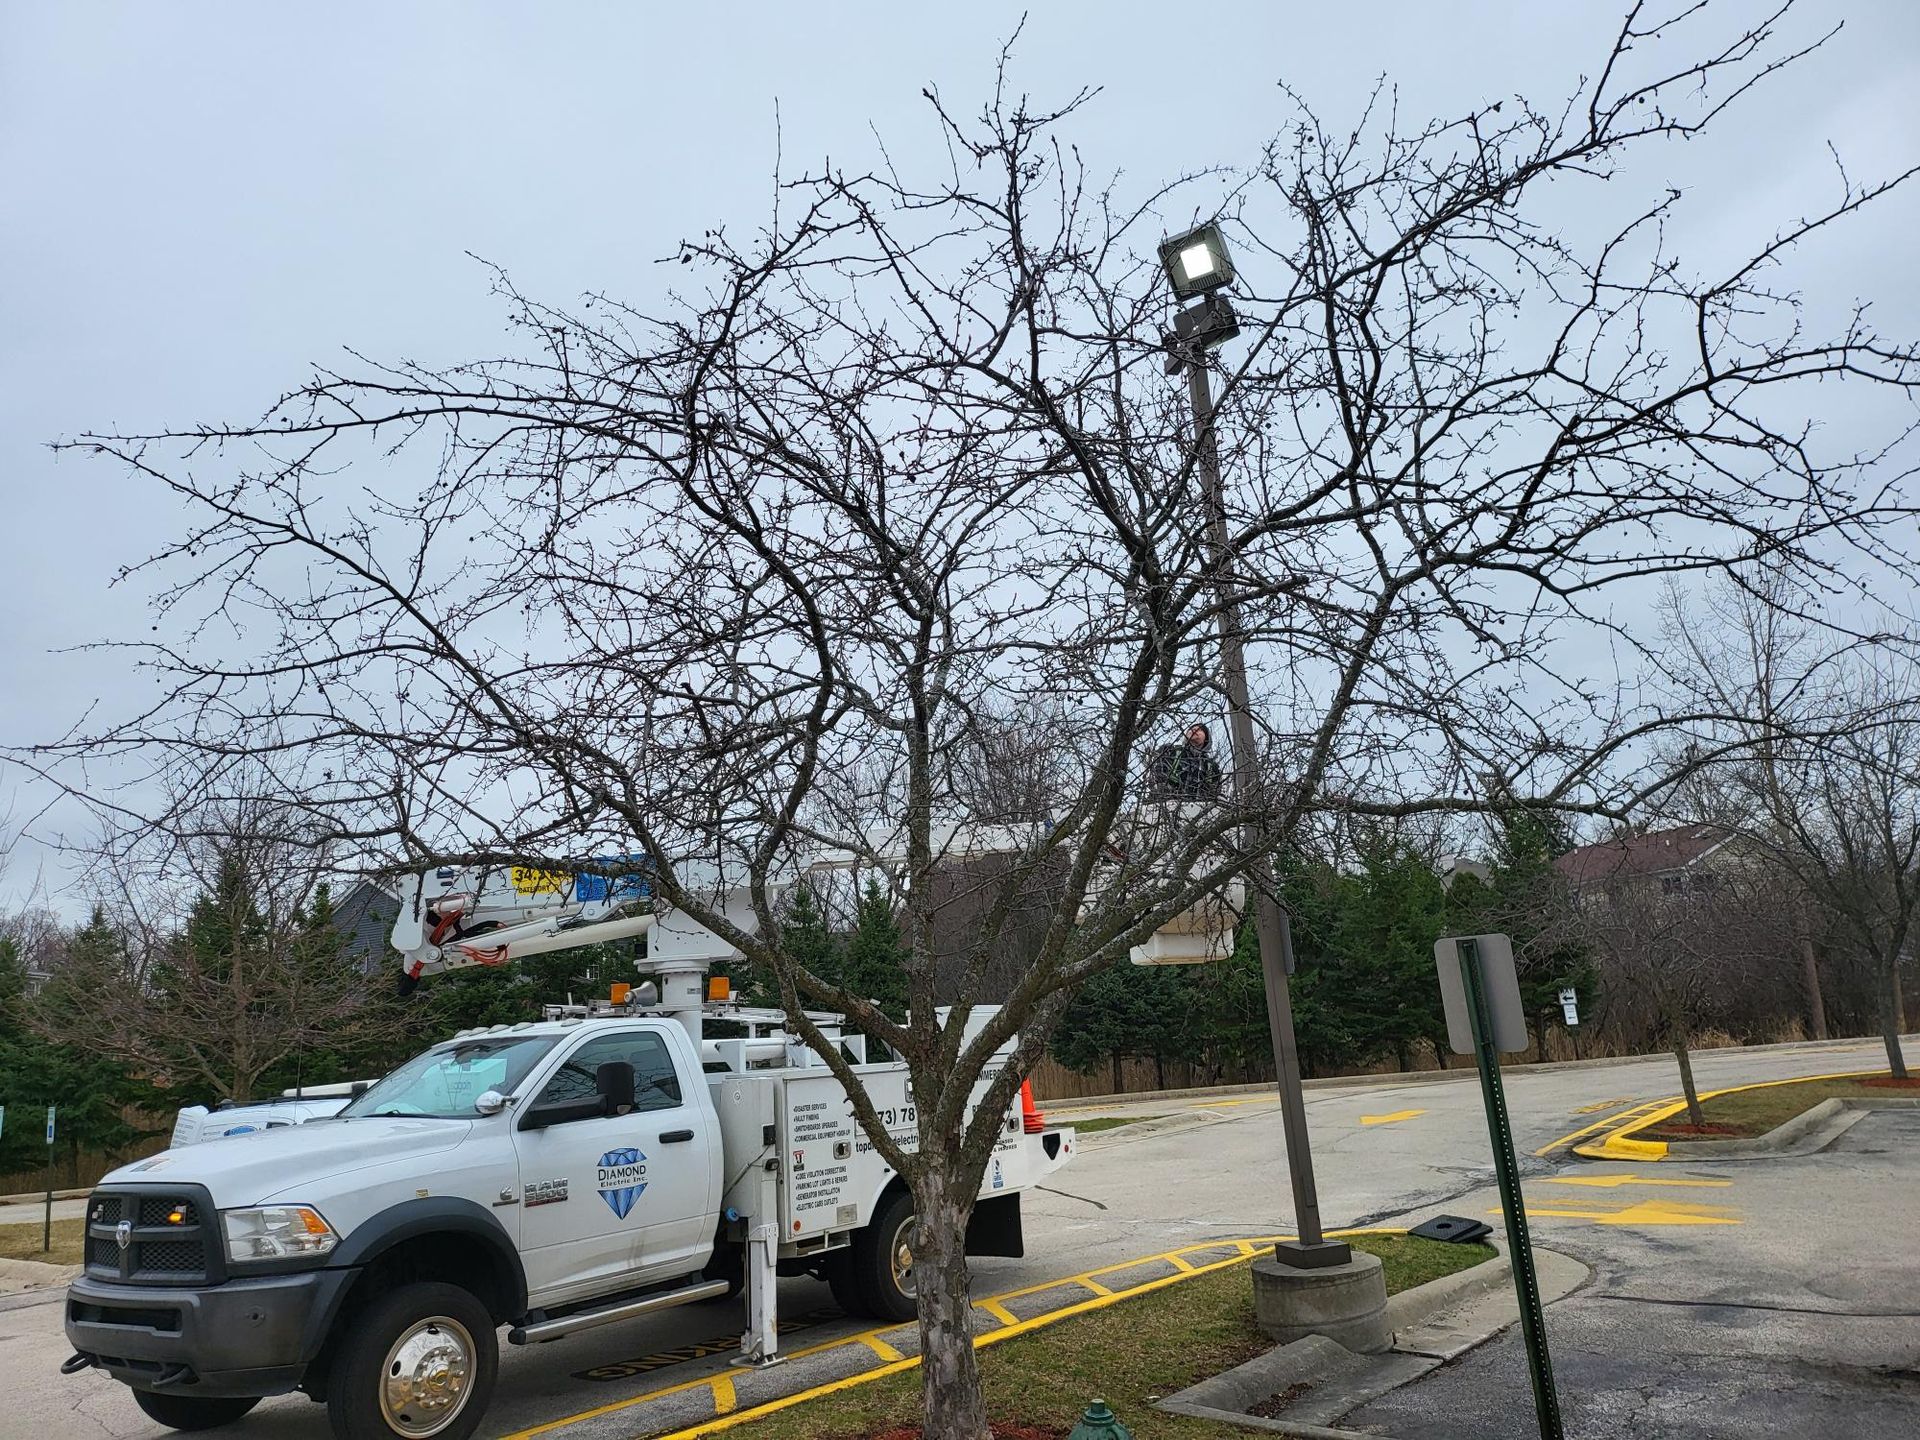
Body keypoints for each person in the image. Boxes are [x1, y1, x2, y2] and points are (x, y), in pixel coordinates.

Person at [1150, 722, 1223, 801]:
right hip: (1168, 805)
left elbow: (1215, 792)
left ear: (1206, 740)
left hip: (1200, 809)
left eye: (1200, 730)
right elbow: (1158, 778)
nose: (1195, 729)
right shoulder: (1170, 752)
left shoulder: (1211, 766)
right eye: (1192, 728)